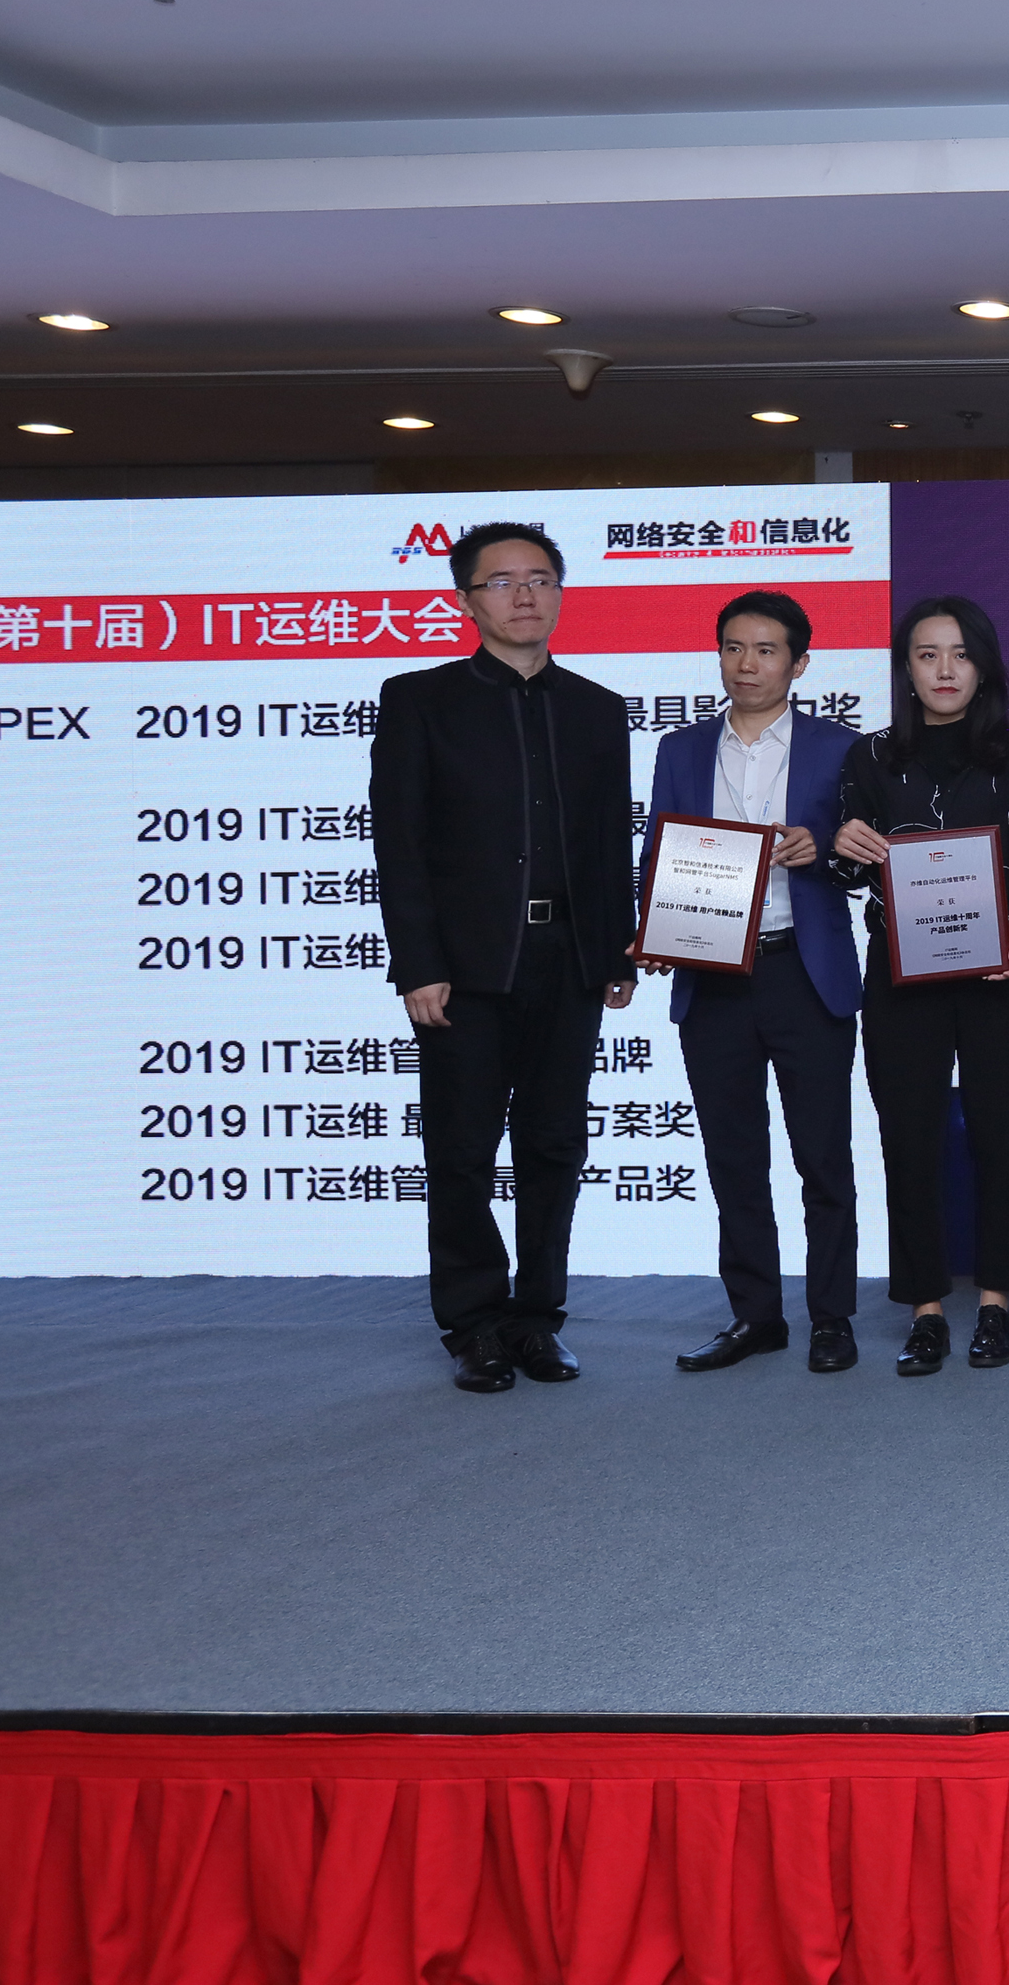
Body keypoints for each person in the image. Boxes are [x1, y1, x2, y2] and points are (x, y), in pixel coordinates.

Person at [370, 522, 638, 1393]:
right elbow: (400, 843)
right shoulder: (420, 700)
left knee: (555, 1143)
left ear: (560, 591)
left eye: (540, 578)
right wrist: (418, 962)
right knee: (462, 1148)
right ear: (465, 599)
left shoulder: (597, 707)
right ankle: (474, 1322)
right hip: (465, 968)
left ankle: (537, 1318)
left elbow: (609, 840)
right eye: (502, 581)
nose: (525, 595)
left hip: (570, 958)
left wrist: (618, 949)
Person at [643, 593, 867, 1376]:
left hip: (804, 970)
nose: (747, 664)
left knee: (822, 1157)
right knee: (733, 1155)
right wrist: (651, 929)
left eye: (766, 650)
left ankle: (832, 1317)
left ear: (799, 663)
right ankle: (755, 1315)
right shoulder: (680, 747)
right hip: (713, 976)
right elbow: (658, 851)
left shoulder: (843, 749)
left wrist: (825, 851)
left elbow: (864, 861)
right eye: (733, 647)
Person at [829, 596, 1009, 1377]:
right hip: (902, 976)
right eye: (927, 654)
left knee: (1000, 1137)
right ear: (907, 668)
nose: (945, 669)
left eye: (960, 653)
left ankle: (995, 1300)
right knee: (909, 1139)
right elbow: (848, 869)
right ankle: (925, 1308)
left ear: (983, 665)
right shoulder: (870, 756)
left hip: (999, 974)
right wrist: (843, 844)